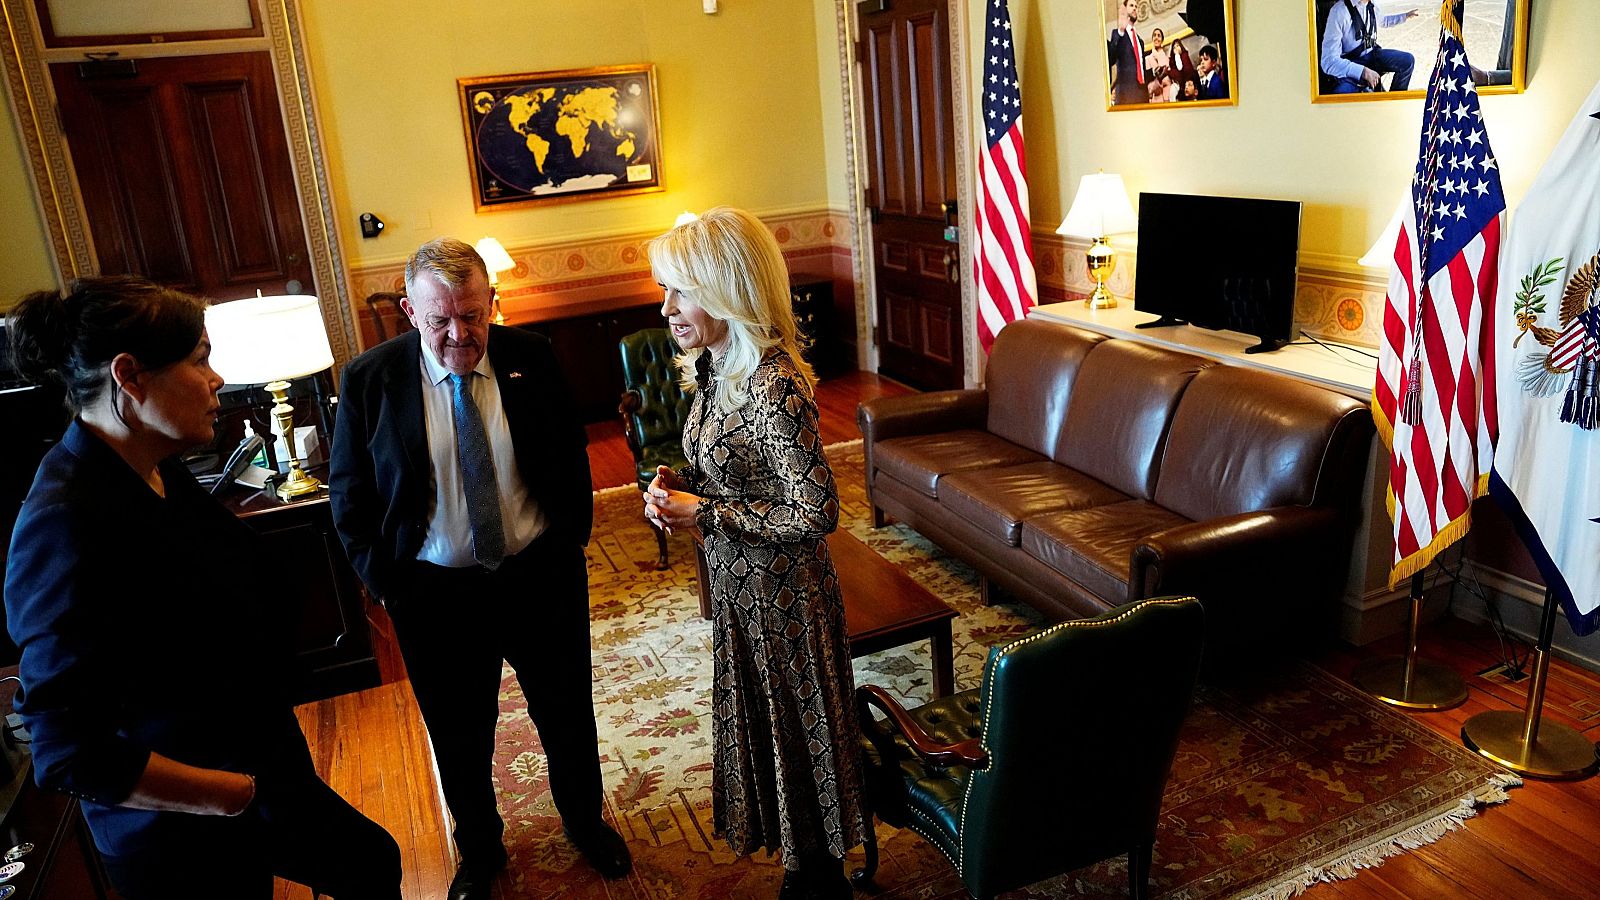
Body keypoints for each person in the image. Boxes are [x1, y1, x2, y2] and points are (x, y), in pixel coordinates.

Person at [3, 276, 401, 899]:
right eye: (199, 360)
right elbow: (67, 749)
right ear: (129, 376)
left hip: (253, 771)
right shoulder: (64, 522)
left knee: (370, 861)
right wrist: (230, 795)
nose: (217, 379)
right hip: (178, 826)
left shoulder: (156, 469)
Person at [329, 238, 630, 900]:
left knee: (567, 714)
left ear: (493, 303)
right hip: (434, 594)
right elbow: (349, 495)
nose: (460, 334)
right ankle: (482, 851)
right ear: (411, 311)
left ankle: (585, 824)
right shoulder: (371, 379)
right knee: (460, 733)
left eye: (473, 314)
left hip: (537, 577)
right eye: (441, 320)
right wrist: (387, 583)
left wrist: (570, 540)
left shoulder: (534, 358)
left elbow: (570, 455)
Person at [643, 208, 869, 900]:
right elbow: (740, 475)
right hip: (741, 586)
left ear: (726, 288)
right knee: (769, 730)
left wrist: (703, 512)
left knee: (797, 731)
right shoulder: (715, 369)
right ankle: (801, 863)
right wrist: (678, 486)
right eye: (665, 290)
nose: (667, 307)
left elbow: (815, 511)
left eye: (681, 290)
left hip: (786, 599)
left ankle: (817, 878)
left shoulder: (774, 386)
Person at [1320, 0, 1420, 94]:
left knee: (1407, 60)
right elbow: (1328, 61)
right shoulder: (1339, 12)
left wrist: (1405, 16)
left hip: (1373, 55)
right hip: (1351, 65)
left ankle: (1394, 101)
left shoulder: (1371, 5)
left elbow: (1383, 21)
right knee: (1340, 96)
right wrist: (1363, 72)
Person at [1106, 0, 1148, 106]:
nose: (1135, 8)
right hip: (1126, 93)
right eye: (1131, 5)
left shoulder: (1140, 41)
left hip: (1142, 93)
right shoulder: (1117, 34)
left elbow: (1141, 69)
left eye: (1136, 6)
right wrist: (1121, 30)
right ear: (1124, 9)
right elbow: (1111, 59)